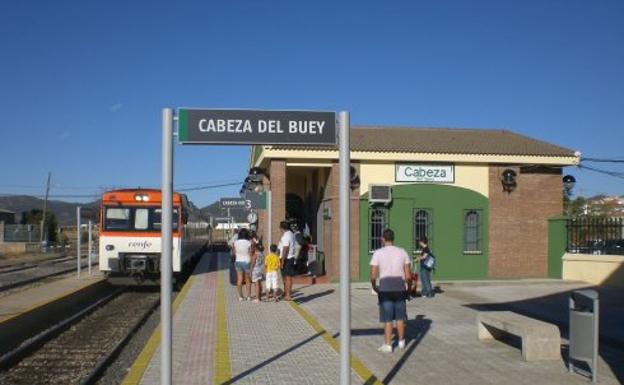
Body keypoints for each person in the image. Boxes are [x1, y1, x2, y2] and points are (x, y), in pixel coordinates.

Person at [370, 228, 412, 353]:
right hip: (400, 289)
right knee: (400, 317)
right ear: (393, 239)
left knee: (387, 319)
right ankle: (401, 341)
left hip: (385, 290)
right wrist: (409, 290)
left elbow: (373, 275)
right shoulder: (403, 252)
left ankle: (388, 345)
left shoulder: (378, 253)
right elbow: (408, 276)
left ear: (383, 239)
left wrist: (374, 286)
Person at [278, 220, 296, 301]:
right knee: (286, 276)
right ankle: (286, 292)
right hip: (290, 257)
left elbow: (285, 248)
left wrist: (282, 262)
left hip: (286, 258)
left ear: (282, 227)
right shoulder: (291, 234)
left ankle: (288, 295)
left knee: (287, 277)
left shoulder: (286, 236)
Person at [233, 228, 252, 301]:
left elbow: (234, 253)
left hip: (238, 262)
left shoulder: (235, 242)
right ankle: (249, 296)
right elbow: (250, 253)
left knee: (239, 279)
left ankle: (241, 297)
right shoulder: (249, 242)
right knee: (247, 279)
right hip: (246, 262)